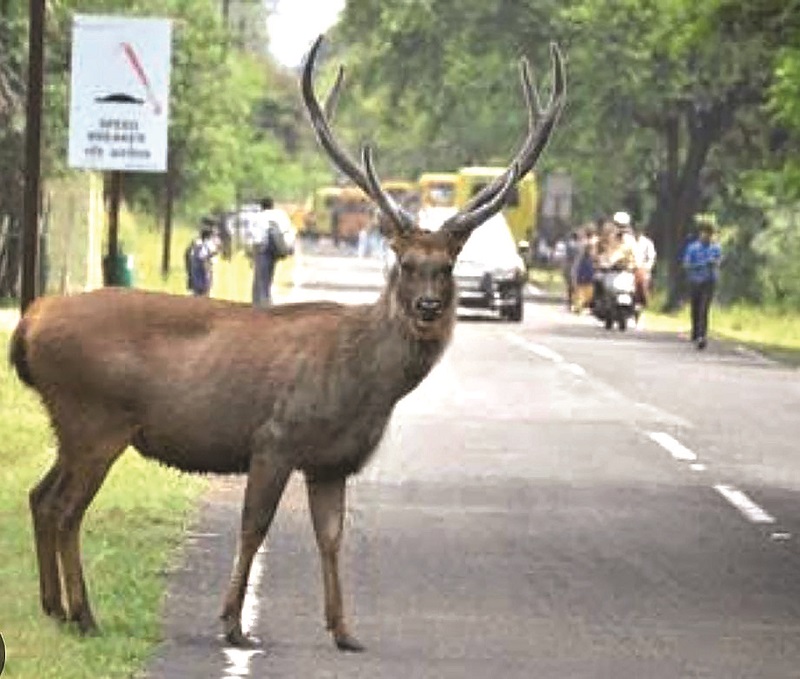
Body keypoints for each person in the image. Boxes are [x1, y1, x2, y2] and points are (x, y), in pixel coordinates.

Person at [682, 221, 722, 350]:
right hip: (695, 281)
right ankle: (695, 332)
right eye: (705, 233)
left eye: (710, 234)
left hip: (709, 282)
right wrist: (701, 265)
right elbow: (687, 264)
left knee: (704, 309)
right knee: (695, 307)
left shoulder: (716, 248)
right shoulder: (692, 248)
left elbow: (719, 261)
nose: (707, 236)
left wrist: (714, 263)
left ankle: (702, 335)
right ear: (700, 234)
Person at [248, 196, 278, 307]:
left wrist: (252, 255)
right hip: (274, 251)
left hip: (262, 250)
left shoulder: (259, 217)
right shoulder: (277, 216)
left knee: (260, 280)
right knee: (269, 277)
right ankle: (267, 301)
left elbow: (257, 238)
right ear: (272, 205)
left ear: (261, 206)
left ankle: (260, 305)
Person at [632, 224, 657, 326]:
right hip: (630, 269)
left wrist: (646, 267)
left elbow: (651, 258)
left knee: (642, 288)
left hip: (642, 269)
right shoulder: (629, 241)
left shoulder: (647, 243)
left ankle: (642, 307)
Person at [185, 223, 217, 297]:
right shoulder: (208, 244)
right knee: (205, 288)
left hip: (195, 267)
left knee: (197, 288)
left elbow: (188, 254)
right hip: (203, 266)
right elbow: (205, 257)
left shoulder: (195, 243)